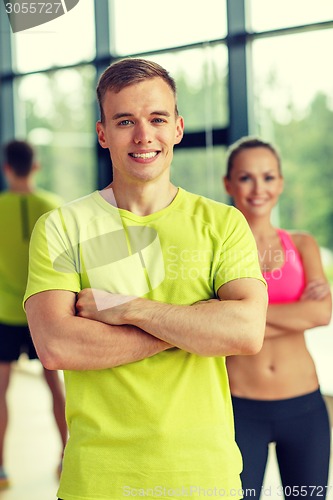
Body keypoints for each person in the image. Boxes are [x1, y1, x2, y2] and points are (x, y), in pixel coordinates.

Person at [24, 58, 267, 500]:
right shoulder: (62, 227)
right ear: (102, 134)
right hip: (98, 481)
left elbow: (247, 332)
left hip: (205, 477)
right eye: (125, 121)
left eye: (157, 118)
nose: (143, 136)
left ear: (177, 127)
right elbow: (57, 345)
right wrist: (195, 326)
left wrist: (128, 309)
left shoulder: (223, 223)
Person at [223, 136, 332, 499]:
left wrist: (240, 319)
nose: (259, 189)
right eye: (246, 177)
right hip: (238, 408)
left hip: (304, 407)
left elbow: (321, 311)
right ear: (228, 183)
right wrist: (293, 315)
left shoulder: (302, 245)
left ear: (281, 183)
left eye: (268, 177)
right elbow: (211, 326)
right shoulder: (214, 251)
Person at [0, 140, 68, 489]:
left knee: (0, 391)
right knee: (55, 386)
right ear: (36, 166)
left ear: (7, 168)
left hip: (5, 315)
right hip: (43, 313)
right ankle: (66, 458)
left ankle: (0, 470)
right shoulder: (53, 207)